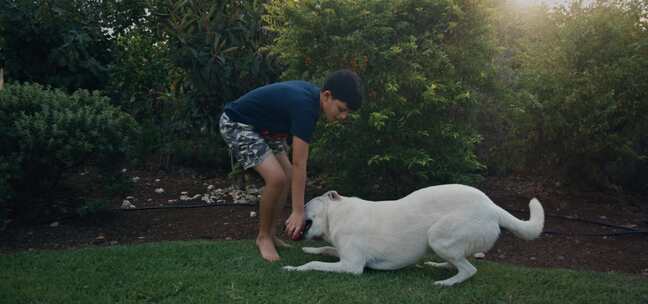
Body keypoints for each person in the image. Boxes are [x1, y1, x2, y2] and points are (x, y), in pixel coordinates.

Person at [219, 69, 364, 262]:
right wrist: (298, 211)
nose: (344, 116)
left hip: (266, 130)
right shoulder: (305, 107)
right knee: (276, 178)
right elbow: (299, 162)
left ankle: (271, 234)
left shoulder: (312, 100)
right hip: (238, 124)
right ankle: (262, 237)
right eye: (341, 109)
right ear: (327, 95)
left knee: (286, 176)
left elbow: (295, 168)